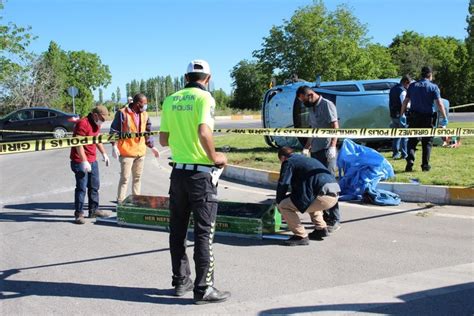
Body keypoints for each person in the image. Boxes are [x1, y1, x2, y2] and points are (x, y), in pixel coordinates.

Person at [159, 59, 230, 304]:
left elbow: (163, 140)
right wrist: (216, 156)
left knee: (177, 231)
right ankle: (204, 288)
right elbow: (203, 131)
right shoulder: (205, 99)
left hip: (178, 174)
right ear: (208, 78)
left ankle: (181, 281)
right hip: (201, 176)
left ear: (185, 77)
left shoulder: (170, 99)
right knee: (203, 232)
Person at [296, 85, 341, 233]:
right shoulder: (311, 107)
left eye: (303, 100)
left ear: (310, 95)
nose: (304, 104)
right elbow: (313, 129)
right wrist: (307, 146)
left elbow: (335, 127)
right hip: (315, 150)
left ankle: (335, 218)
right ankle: (325, 216)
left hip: (327, 151)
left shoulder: (327, 105)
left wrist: (333, 146)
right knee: (317, 186)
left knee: (329, 185)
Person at [276, 147, 340, 246]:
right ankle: (321, 229)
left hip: (321, 196)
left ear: (283, 157)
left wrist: (279, 201)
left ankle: (301, 236)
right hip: (334, 194)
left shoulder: (289, 162)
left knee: (284, 205)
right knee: (309, 200)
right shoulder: (307, 159)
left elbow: (283, 183)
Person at [110, 93, 159, 204]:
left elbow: (147, 131)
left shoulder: (145, 114)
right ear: (138, 104)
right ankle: (120, 201)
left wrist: (152, 146)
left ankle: (136, 201)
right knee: (125, 179)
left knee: (137, 178)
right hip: (126, 152)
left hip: (140, 152)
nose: (146, 106)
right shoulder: (122, 113)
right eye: (144, 103)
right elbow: (114, 130)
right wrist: (114, 145)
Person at [400, 66, 448, 172]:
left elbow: (405, 101)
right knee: (427, 142)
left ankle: (410, 161)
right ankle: (425, 166)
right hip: (427, 118)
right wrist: (444, 117)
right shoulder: (433, 87)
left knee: (412, 141)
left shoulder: (412, 86)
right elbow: (439, 104)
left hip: (414, 117)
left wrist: (401, 115)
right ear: (430, 75)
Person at [70, 105, 111, 224]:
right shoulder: (83, 123)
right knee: (81, 188)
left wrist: (104, 154)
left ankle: (94, 210)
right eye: (102, 119)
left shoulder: (96, 124)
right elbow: (78, 144)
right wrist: (83, 160)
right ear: (95, 115)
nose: (102, 122)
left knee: (94, 186)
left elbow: (97, 139)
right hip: (79, 161)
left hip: (92, 160)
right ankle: (79, 214)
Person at [389, 75, 411, 159]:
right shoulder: (403, 91)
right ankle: (404, 154)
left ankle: (395, 153)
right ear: (406, 83)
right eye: (409, 85)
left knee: (396, 135)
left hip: (393, 114)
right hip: (402, 115)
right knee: (404, 136)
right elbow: (405, 104)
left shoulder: (392, 89)